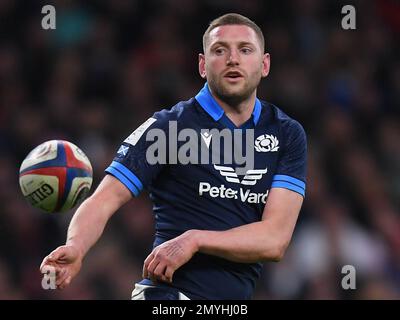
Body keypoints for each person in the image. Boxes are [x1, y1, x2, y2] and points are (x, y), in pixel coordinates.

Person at [40, 13, 307, 300]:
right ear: (203, 66)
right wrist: (76, 246)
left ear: (264, 64)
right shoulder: (169, 128)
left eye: (245, 49)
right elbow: (104, 199)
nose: (233, 59)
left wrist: (195, 239)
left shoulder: (286, 134)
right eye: (220, 50)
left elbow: (274, 241)